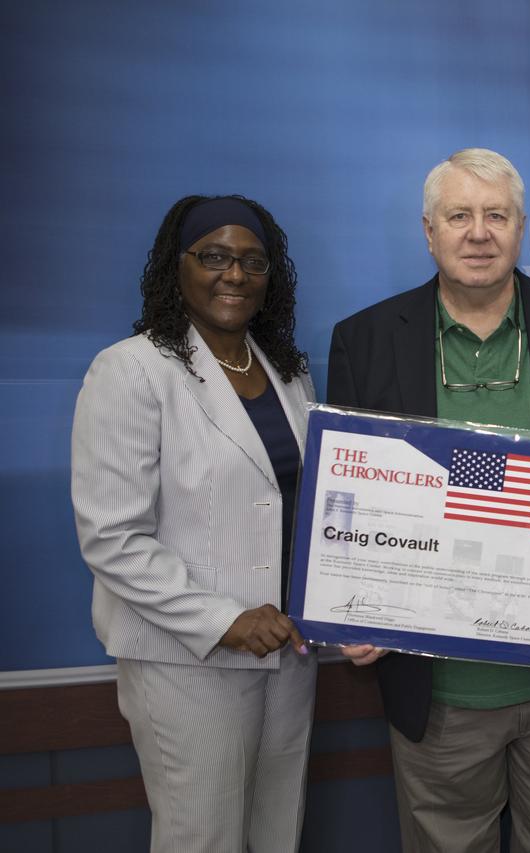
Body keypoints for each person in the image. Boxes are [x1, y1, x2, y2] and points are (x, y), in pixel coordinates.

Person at [327, 148, 530, 853]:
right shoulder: (366, 340)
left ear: (520, 227)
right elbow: (347, 498)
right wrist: (350, 606)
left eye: (496, 215)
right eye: (459, 216)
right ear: (429, 231)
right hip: (439, 691)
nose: (479, 233)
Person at [71, 195, 316, 851]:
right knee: (201, 839)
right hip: (187, 661)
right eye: (214, 256)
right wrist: (226, 620)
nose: (234, 274)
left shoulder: (289, 375)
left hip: (288, 651)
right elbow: (111, 538)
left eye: (253, 261)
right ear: (175, 265)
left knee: (277, 832)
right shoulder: (132, 370)